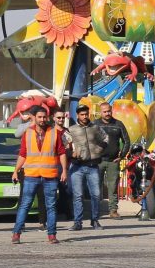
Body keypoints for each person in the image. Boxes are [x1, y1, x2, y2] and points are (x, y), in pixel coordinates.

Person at [11, 106, 68, 245]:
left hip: (50, 176)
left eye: (44, 117)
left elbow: (61, 153)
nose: (42, 119)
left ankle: (52, 235)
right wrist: (15, 170)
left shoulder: (55, 133)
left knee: (51, 206)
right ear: (34, 118)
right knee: (25, 205)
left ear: (47, 117)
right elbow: (23, 154)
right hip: (31, 175)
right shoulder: (28, 133)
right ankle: (16, 234)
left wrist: (65, 171)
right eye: (39, 117)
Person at [67, 104, 108, 231]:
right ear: (77, 115)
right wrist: (71, 154)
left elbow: (106, 138)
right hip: (77, 167)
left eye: (86, 114)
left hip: (93, 166)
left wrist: (100, 148)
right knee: (78, 195)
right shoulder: (71, 130)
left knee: (95, 195)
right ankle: (77, 222)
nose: (84, 117)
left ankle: (95, 220)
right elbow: (64, 144)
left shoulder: (95, 128)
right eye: (82, 114)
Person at [96, 102, 131, 219]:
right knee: (95, 186)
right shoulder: (95, 124)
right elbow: (89, 140)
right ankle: (95, 211)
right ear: (100, 112)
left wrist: (122, 156)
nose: (107, 113)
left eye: (109, 111)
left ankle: (113, 210)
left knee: (113, 187)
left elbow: (127, 141)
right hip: (98, 161)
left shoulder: (118, 124)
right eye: (105, 111)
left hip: (113, 161)